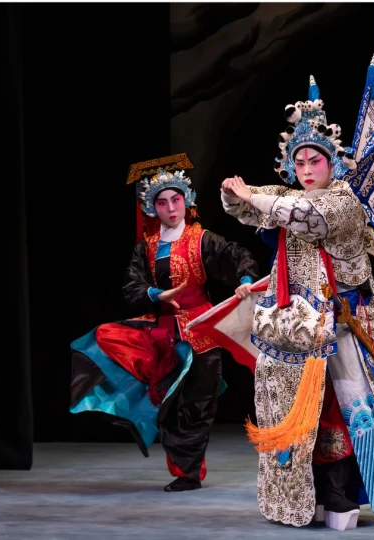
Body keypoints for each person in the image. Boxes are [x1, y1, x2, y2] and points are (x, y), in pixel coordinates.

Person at [221, 75, 374, 531]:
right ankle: (311, 495)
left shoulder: (343, 202)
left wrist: (252, 197)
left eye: (314, 158)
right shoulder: (290, 196)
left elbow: (305, 220)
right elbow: (247, 209)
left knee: (343, 410)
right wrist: (233, 193)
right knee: (297, 415)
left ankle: (344, 498)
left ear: (331, 164)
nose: (305, 166)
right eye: (297, 160)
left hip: (341, 327)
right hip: (295, 328)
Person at [70, 168, 259, 492]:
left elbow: (238, 256)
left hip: (201, 333)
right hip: (163, 334)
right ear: (152, 208)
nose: (171, 208)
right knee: (165, 402)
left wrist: (244, 282)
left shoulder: (201, 239)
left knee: (197, 405)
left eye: (175, 200)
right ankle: (181, 467)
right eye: (162, 202)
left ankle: (188, 473)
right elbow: (132, 285)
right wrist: (156, 294)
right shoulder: (147, 246)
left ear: (186, 202)